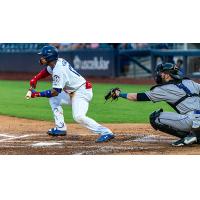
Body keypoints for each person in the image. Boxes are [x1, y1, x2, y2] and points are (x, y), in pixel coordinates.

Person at [28, 45, 114, 143]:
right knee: (53, 99)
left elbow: (55, 92)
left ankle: (106, 132)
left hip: (82, 92)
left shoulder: (58, 70)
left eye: (43, 56)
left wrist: (37, 94)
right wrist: (36, 78)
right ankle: (60, 127)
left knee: (78, 116)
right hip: (74, 92)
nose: (41, 58)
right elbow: (47, 71)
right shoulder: (57, 62)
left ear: (49, 57)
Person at [108, 63, 200, 146]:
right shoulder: (189, 82)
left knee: (155, 118)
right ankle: (196, 133)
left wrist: (119, 94)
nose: (159, 75)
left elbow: (138, 97)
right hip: (196, 119)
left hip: (190, 120)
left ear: (167, 75)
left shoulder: (163, 89)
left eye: (161, 73)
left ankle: (192, 136)